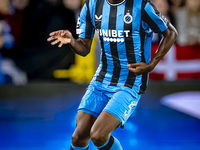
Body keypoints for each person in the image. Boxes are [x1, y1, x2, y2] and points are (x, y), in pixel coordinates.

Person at [47, 0, 178, 149]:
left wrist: (152, 63)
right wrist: (71, 40)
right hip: (101, 80)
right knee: (78, 137)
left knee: (98, 135)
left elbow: (171, 33)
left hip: (129, 82)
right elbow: (84, 47)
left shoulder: (141, 6)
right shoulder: (91, 5)